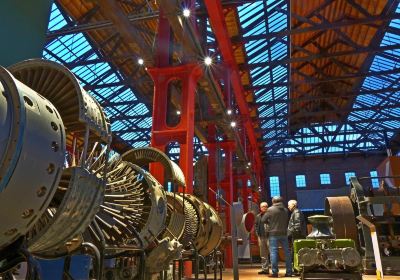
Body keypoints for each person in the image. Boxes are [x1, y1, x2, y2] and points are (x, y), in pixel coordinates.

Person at [262, 196, 292, 277]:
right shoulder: (285, 210)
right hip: (284, 233)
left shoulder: (270, 209)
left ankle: (275, 273)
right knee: (287, 253)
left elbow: (263, 220)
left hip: (273, 234)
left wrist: (271, 223)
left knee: (273, 253)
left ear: (273, 201)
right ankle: (289, 272)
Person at [255, 202, 269, 274]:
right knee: (263, 254)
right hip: (261, 237)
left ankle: (274, 270)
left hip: (269, 237)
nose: (264, 208)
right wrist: (257, 233)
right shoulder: (258, 216)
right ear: (260, 208)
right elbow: (256, 225)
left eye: (265, 206)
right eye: (262, 206)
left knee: (272, 254)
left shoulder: (270, 215)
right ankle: (265, 269)